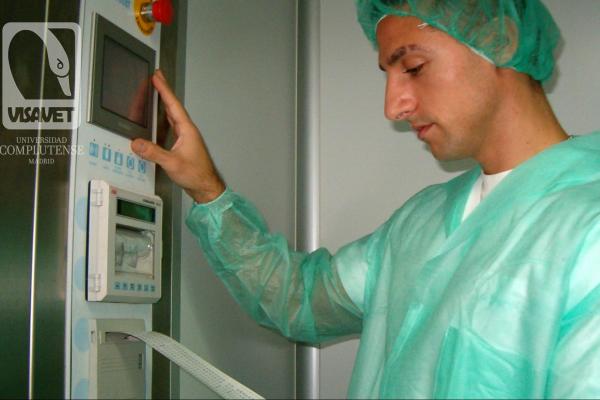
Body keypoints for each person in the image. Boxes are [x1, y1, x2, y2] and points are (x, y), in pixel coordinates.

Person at [132, 1, 600, 398]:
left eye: (413, 68)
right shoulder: (424, 218)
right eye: (389, 74)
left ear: (503, 42)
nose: (393, 107)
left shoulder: (587, 229)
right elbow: (299, 299)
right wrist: (207, 189)